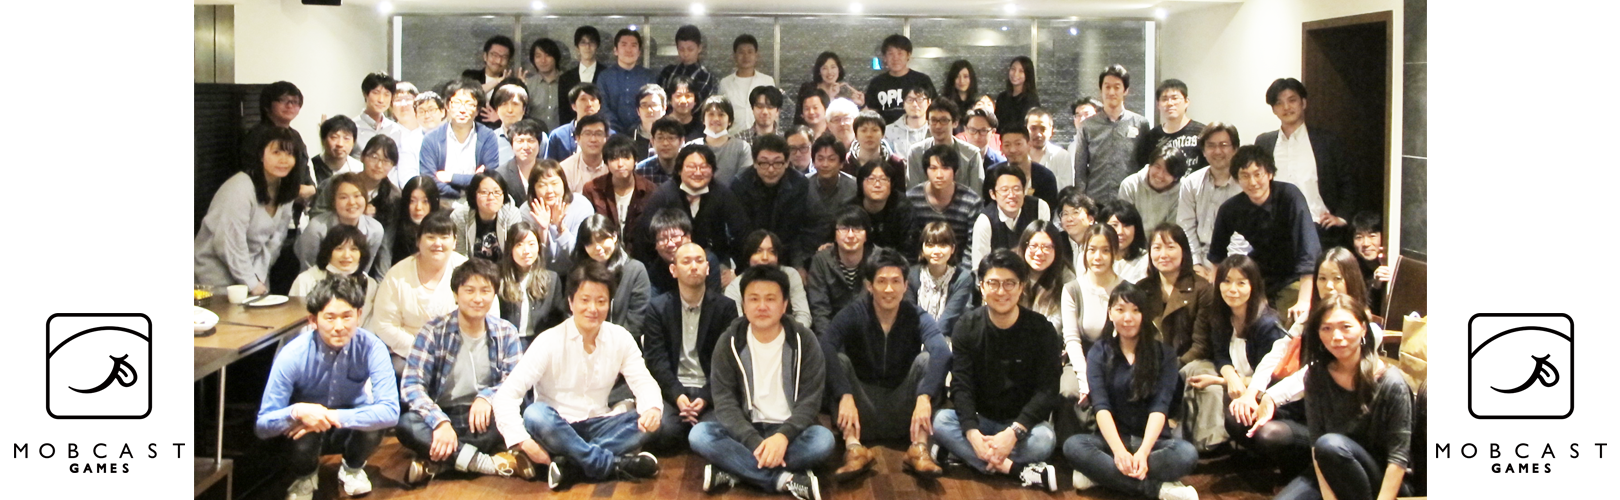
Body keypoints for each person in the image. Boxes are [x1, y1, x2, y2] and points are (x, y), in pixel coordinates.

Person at [490, 261, 664, 490]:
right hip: (556, 427)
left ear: (609, 303)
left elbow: (643, 381)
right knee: (534, 414)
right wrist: (522, 441)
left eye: (601, 301)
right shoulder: (549, 340)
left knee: (651, 420)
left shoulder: (620, 338)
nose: (593, 308)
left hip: (600, 423)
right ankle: (612, 464)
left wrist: (652, 408)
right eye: (585, 300)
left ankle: (570, 465)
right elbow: (506, 396)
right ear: (571, 302)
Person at [1248, 294, 1413, 500]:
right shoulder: (1316, 376)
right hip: (1331, 466)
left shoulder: (1391, 382)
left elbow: (1398, 459)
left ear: (1363, 329)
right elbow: (1316, 445)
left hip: (1379, 479)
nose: (1336, 336)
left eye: (1346, 327)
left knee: (1331, 444)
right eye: (1326, 328)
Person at [691, 265, 833, 500]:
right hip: (746, 429)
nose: (762, 306)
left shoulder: (804, 340)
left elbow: (810, 400)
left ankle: (736, 470)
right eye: (754, 299)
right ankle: (784, 480)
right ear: (743, 304)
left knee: (823, 441)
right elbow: (725, 402)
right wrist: (754, 441)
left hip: (791, 432)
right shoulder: (729, 342)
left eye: (770, 299)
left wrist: (782, 437)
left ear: (784, 305)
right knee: (700, 434)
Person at [255, 276, 399, 500]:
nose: (339, 327)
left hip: (349, 426)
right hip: (306, 428)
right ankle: (305, 477)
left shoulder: (373, 347)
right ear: (313, 320)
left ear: (359, 315)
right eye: (330, 318)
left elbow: (391, 411)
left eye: (347, 316)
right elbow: (263, 424)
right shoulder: (293, 354)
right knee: (301, 426)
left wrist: (330, 416)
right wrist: (296, 411)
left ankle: (352, 468)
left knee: (374, 421)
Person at [931, 249, 1061, 491]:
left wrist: (1012, 433)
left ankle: (962, 455)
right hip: (981, 419)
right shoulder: (967, 326)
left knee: (1045, 440)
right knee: (940, 421)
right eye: (993, 283)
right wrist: (972, 433)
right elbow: (961, 385)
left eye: (1010, 283)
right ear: (981, 287)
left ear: (1021, 287)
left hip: (1021, 425)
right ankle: (1016, 470)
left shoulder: (1041, 330)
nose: (1001, 292)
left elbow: (1048, 390)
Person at [821, 248, 952, 479]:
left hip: (903, 408)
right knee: (839, 361)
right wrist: (845, 394)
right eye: (881, 281)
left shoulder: (915, 315)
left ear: (905, 285)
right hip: (861, 409)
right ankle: (853, 448)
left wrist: (924, 396)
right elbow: (826, 345)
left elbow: (941, 351)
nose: (889, 289)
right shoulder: (854, 312)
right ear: (869, 286)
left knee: (926, 359)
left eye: (896, 281)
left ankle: (919, 448)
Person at [1063, 283, 1201, 500]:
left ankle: (1100, 475)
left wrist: (1143, 453)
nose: (1128, 318)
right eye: (1120, 310)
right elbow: (1101, 407)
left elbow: (1160, 408)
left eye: (1136, 310)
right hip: (1112, 442)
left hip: (1154, 443)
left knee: (1186, 454)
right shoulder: (1099, 352)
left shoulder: (1164, 354)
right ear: (1110, 313)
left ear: (1144, 315)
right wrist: (1119, 452)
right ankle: (1157, 490)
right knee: (1074, 446)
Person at [397, 258, 527, 485]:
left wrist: (487, 398)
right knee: (407, 424)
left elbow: (516, 381)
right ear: (456, 294)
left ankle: (439, 463)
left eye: (485, 291)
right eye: (469, 290)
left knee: (519, 415)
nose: (478, 298)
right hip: (444, 413)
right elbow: (411, 385)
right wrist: (439, 422)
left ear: (494, 294)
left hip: (484, 419)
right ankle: (485, 463)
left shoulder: (506, 331)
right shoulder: (433, 331)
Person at [640, 242, 740, 452]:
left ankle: (694, 434)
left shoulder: (725, 308)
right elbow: (656, 360)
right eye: (686, 261)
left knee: (722, 428)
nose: (694, 266)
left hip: (711, 391)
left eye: (699, 261)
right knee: (661, 430)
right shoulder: (658, 308)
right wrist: (677, 395)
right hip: (673, 390)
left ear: (707, 268)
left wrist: (705, 397)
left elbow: (729, 362)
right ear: (673, 270)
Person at [1208, 145, 1321, 322]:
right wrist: (1218, 297)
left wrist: (1304, 301)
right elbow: (1217, 256)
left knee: (1290, 319)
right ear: (1237, 179)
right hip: (1260, 277)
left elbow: (1308, 248)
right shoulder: (1230, 209)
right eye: (1245, 176)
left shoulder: (1290, 196)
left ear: (1269, 174)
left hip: (1294, 275)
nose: (1253, 182)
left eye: (1258, 174)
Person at [1138, 224, 1219, 451]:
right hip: (1150, 361)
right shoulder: (1141, 289)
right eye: (1157, 248)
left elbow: (1201, 344)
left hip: (1188, 360)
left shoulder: (1202, 289)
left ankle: (1203, 447)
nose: (1163, 254)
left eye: (1170, 247)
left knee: (1198, 377)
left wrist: (1170, 366)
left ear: (1183, 250)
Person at [1254, 78, 1356, 249]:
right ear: (1273, 110)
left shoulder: (1327, 141)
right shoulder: (1264, 142)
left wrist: (1342, 217)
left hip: (1318, 229)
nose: (1286, 107)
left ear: (1303, 103)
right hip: (1276, 231)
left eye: (1292, 100)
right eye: (1279, 103)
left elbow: (1348, 182)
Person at [196, 128, 301, 294]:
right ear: (261, 155)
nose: (283, 160)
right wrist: (251, 282)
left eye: (290, 154)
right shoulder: (240, 188)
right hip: (214, 279)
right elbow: (229, 242)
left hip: (252, 276)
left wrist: (257, 277)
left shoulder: (285, 189)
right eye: (276, 152)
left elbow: (276, 240)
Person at [367, 211, 471, 365]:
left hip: (459, 352)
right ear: (418, 241)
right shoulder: (397, 275)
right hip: (409, 354)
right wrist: (422, 349)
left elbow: (487, 313)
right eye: (431, 237)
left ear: (455, 242)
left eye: (444, 237)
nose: (438, 243)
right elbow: (384, 324)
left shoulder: (468, 270)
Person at [635, 143, 754, 272]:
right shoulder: (664, 195)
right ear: (679, 170)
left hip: (714, 262)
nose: (698, 172)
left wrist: (737, 272)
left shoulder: (722, 193)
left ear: (712, 170)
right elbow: (644, 236)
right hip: (669, 264)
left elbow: (742, 232)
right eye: (691, 167)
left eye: (704, 167)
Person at [730, 134, 818, 269]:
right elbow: (741, 231)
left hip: (786, 253)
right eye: (764, 163)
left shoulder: (799, 184)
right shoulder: (740, 184)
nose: (771, 169)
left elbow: (794, 229)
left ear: (787, 162)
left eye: (777, 163)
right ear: (755, 163)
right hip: (748, 254)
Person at [1075, 64, 1151, 204]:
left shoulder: (1141, 124)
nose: (1111, 92)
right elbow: (1080, 168)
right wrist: (1081, 202)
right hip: (1095, 199)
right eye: (1107, 87)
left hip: (1130, 199)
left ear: (1125, 90)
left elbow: (1145, 166)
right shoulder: (1087, 126)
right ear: (1101, 89)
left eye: (1117, 87)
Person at [1176, 122, 1243, 280]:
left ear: (1235, 149)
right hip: (1197, 260)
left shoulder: (1244, 185)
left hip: (1235, 263)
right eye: (1211, 145)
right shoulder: (1191, 183)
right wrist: (1196, 264)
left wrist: (1220, 271)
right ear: (1204, 151)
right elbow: (1185, 227)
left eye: (1224, 145)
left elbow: (1242, 236)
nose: (1217, 151)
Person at [570, 214, 652, 337]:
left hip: (623, 344)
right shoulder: (578, 272)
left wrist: (608, 343)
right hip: (582, 342)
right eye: (590, 243)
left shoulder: (635, 270)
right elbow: (570, 312)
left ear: (614, 236)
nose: (597, 247)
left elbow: (637, 321)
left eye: (601, 239)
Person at [420, 79, 501, 200]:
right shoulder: (432, 138)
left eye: (469, 104)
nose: (462, 109)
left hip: (478, 202)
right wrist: (471, 182)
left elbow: (489, 178)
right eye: (457, 103)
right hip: (442, 202)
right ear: (447, 106)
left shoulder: (487, 137)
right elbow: (428, 180)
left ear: (478, 110)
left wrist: (451, 177)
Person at [289, 225, 381, 326]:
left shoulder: (369, 284)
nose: (346, 255)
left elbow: (369, 325)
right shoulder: (306, 281)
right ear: (328, 252)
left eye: (354, 249)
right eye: (339, 249)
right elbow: (295, 324)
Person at [297, 173, 387, 274]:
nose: (352, 202)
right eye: (343, 197)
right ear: (333, 201)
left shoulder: (375, 230)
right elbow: (308, 268)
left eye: (357, 196)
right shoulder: (317, 227)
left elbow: (363, 268)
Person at [723, 229, 813, 328]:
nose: (765, 257)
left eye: (771, 252)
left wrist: (790, 334)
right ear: (749, 256)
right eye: (758, 251)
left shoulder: (791, 276)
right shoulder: (734, 287)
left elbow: (803, 315)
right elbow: (737, 325)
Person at [969, 165, 1052, 270]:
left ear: (1024, 190)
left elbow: (1048, 247)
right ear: (993, 194)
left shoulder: (1039, 207)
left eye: (1016, 189)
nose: (1011, 195)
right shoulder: (985, 221)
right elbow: (979, 267)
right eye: (1004, 190)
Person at [496, 222, 566, 344]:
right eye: (519, 244)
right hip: (505, 342)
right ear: (510, 248)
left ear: (539, 247)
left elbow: (557, 321)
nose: (526, 251)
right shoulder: (498, 277)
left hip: (540, 344)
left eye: (532, 244)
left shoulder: (552, 279)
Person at [806, 208, 872, 337]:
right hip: (833, 333)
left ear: (866, 235)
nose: (851, 235)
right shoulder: (821, 261)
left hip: (871, 334)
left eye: (857, 229)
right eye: (844, 229)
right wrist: (829, 342)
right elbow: (820, 310)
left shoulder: (878, 260)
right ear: (834, 235)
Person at [907, 144, 982, 255]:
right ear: (926, 171)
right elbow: (910, 243)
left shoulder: (971, 202)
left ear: (955, 171)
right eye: (933, 168)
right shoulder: (912, 199)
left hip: (959, 262)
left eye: (945, 168)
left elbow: (973, 245)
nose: (939, 175)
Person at [241, 81, 311, 200]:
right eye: (283, 100)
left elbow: (304, 171)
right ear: (267, 105)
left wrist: (310, 187)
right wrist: (295, 191)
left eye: (295, 101)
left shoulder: (294, 135)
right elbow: (255, 177)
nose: (290, 106)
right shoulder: (258, 136)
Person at [525, 159, 597, 273]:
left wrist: (561, 228)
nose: (549, 190)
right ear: (533, 189)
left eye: (554, 184)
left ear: (564, 183)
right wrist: (543, 230)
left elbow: (580, 254)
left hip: (578, 271)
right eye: (542, 185)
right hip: (540, 273)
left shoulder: (582, 205)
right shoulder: (526, 211)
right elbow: (534, 258)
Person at [905, 222, 975, 337]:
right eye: (930, 245)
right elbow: (911, 315)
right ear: (922, 248)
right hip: (915, 336)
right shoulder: (910, 276)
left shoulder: (963, 278)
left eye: (943, 245)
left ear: (952, 249)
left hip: (948, 337)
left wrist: (932, 341)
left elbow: (948, 319)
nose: (936, 251)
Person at [583, 134, 658, 237]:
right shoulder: (592, 189)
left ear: (635, 160)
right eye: (614, 159)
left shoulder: (650, 190)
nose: (620, 164)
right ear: (606, 162)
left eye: (626, 158)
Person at [639, 208, 723, 296]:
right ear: (655, 245)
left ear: (689, 237)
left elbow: (714, 300)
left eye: (675, 237)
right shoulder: (653, 273)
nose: (670, 244)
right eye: (662, 239)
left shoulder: (705, 261)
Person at [905, 100, 983, 194]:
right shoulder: (915, 153)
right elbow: (913, 193)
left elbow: (977, 194)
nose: (938, 126)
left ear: (955, 123)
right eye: (933, 120)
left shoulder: (971, 154)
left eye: (944, 120)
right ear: (928, 123)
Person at [1133, 79, 1206, 177]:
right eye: (1164, 99)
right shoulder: (1151, 137)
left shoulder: (1202, 132)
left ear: (1186, 102)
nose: (1170, 103)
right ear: (1158, 105)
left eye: (1175, 98)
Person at [451, 172, 525, 262]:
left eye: (497, 192)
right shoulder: (460, 216)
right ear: (474, 195)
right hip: (471, 268)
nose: (491, 197)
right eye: (484, 192)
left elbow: (514, 253)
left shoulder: (511, 214)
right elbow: (460, 256)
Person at [1119, 140, 1192, 231]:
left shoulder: (1185, 191)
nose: (1160, 174)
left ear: (1176, 177)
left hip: (1166, 237)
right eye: (1157, 167)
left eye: (1167, 171)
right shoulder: (1130, 185)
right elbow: (1125, 222)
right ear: (1150, 166)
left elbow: (1173, 229)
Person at [599, 28, 658, 136]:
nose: (629, 49)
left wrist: (638, 128)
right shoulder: (605, 77)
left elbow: (652, 104)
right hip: (612, 133)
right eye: (624, 45)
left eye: (633, 45)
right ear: (615, 50)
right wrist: (614, 129)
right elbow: (603, 107)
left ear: (639, 52)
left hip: (643, 133)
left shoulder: (648, 76)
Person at [852, 153, 914, 254]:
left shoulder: (903, 208)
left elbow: (909, 248)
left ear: (891, 184)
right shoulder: (852, 208)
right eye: (871, 179)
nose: (877, 184)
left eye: (883, 179)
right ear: (860, 183)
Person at [865, 34, 935, 125]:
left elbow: (934, 109)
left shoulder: (922, 80)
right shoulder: (876, 83)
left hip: (917, 130)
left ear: (908, 55)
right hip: (885, 131)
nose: (895, 58)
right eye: (891, 54)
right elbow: (871, 113)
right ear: (884, 58)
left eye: (900, 53)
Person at [1018, 221, 1074, 332]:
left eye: (1047, 247)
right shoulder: (1010, 270)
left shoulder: (1066, 279)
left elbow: (1057, 325)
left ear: (1056, 250)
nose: (1039, 253)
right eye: (1033, 246)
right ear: (1024, 246)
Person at [687, 95, 754, 184]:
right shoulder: (690, 147)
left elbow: (744, 181)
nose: (716, 119)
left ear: (730, 121)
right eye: (711, 114)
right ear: (703, 119)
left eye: (721, 115)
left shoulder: (742, 148)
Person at [719, 35, 776, 135]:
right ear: (734, 55)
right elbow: (720, 113)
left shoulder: (767, 81)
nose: (746, 56)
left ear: (756, 55)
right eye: (741, 52)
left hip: (762, 137)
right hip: (732, 137)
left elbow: (774, 111)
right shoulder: (725, 83)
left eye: (750, 52)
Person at [988, 126, 1059, 207]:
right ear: (1001, 148)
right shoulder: (992, 173)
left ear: (1029, 145)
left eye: (1018, 144)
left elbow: (1051, 208)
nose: (1012, 150)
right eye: (1007, 145)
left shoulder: (1045, 176)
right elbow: (989, 206)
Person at [807, 134, 858, 244]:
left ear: (841, 163)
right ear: (814, 162)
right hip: (807, 246)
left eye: (831, 159)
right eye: (820, 159)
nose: (825, 164)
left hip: (843, 245)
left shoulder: (854, 187)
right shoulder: (803, 185)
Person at [543, 82, 605, 162]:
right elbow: (548, 166)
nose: (589, 104)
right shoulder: (558, 136)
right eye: (583, 99)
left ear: (599, 105)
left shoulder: (610, 135)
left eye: (593, 99)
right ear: (573, 106)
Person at [389, 176, 442, 267]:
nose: (418, 207)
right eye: (412, 201)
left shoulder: (443, 225)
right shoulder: (394, 227)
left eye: (425, 201)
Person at [557, 26, 605, 127]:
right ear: (577, 47)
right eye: (583, 43)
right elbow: (563, 111)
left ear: (597, 46)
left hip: (600, 128)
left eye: (591, 42)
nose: (587, 47)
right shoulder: (566, 78)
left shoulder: (606, 74)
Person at [797, 51, 864, 117]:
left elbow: (851, 118)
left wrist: (859, 105)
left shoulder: (845, 91)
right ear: (819, 71)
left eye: (833, 67)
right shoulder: (808, 89)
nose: (829, 72)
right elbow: (801, 116)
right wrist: (830, 97)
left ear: (839, 69)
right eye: (824, 68)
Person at [495, 119, 545, 207]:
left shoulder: (549, 169)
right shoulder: (501, 174)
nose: (525, 147)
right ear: (511, 145)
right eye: (520, 141)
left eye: (531, 140)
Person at [559, 114, 612, 193]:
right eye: (587, 134)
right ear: (577, 138)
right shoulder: (565, 169)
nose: (593, 139)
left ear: (607, 138)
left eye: (599, 134)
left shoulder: (614, 166)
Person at [1350, 212, 1391, 314]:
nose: (1366, 243)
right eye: (1359, 237)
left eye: (1372, 236)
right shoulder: (1352, 270)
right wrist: (1375, 285)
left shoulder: (1394, 263)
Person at [355, 72, 404, 156]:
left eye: (386, 94)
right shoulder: (353, 128)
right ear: (365, 94)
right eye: (376, 93)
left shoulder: (395, 130)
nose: (381, 100)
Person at [1102, 199, 1151, 283]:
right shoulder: (1092, 257)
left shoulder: (1145, 260)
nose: (1120, 232)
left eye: (1127, 225)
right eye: (1114, 225)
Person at [1026, 108, 1075, 189]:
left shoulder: (1061, 156)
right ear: (1025, 129)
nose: (1038, 134)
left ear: (1051, 131)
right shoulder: (1018, 155)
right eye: (1033, 128)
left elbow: (1066, 188)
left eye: (1043, 129)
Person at [525, 37, 565, 132]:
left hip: (562, 136)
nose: (543, 60)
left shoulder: (567, 82)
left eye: (547, 55)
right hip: (535, 136)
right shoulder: (529, 84)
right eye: (538, 56)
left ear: (555, 57)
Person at [310, 115, 361, 188]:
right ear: (323, 140)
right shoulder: (310, 167)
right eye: (334, 137)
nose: (340, 144)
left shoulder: (359, 169)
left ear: (354, 142)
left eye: (346, 138)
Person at [884, 85, 932, 161]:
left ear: (929, 102)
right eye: (910, 100)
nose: (915, 104)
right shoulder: (888, 132)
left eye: (920, 99)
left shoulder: (935, 130)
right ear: (903, 104)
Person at [1055, 187, 1099, 269]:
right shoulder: (1057, 242)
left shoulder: (1102, 240)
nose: (1069, 219)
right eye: (1065, 214)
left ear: (1090, 219)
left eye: (1075, 212)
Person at [636, 116, 686, 186]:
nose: (665, 143)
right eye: (660, 138)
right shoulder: (640, 170)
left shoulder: (690, 168)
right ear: (652, 141)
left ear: (681, 141)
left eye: (671, 138)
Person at [994, 56, 1040, 132]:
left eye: (1021, 71)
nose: (1015, 74)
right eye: (1013, 69)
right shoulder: (1002, 97)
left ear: (1028, 74)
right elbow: (996, 124)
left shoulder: (1031, 100)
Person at [490, 84, 529, 166]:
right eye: (504, 104)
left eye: (515, 104)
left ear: (524, 109)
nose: (510, 110)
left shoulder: (537, 138)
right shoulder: (489, 139)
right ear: (497, 109)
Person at [628, 84, 668, 162]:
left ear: (664, 108)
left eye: (654, 105)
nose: (649, 110)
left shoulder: (674, 135)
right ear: (638, 111)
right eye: (644, 105)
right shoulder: (630, 135)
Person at [942, 60, 980, 130]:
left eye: (966, 76)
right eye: (957, 77)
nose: (961, 81)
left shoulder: (978, 102)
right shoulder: (945, 104)